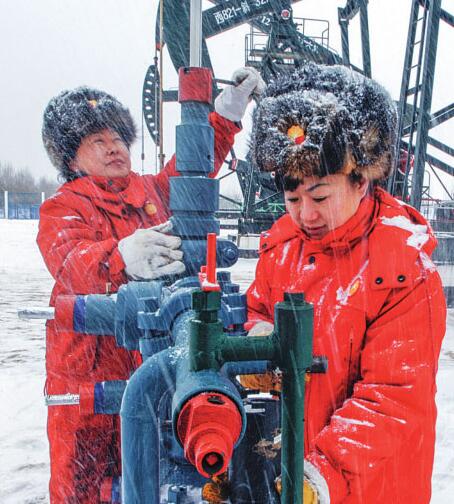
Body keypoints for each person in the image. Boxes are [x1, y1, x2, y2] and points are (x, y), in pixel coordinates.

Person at [37, 67, 265, 503]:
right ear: (72, 158)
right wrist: (119, 257)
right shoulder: (64, 208)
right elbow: (68, 262)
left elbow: (190, 170)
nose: (114, 149)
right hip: (90, 378)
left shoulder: (149, 191)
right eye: (98, 142)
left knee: (150, 474)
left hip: (153, 364)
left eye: (118, 138)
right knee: (84, 486)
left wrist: (222, 117)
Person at [243, 63, 446, 503]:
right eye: (292, 198)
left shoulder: (403, 269)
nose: (305, 214)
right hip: (294, 474)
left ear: (362, 181)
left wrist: (321, 473)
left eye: (319, 196)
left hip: (372, 485)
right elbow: (257, 309)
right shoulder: (280, 248)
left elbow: (393, 397)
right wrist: (257, 341)